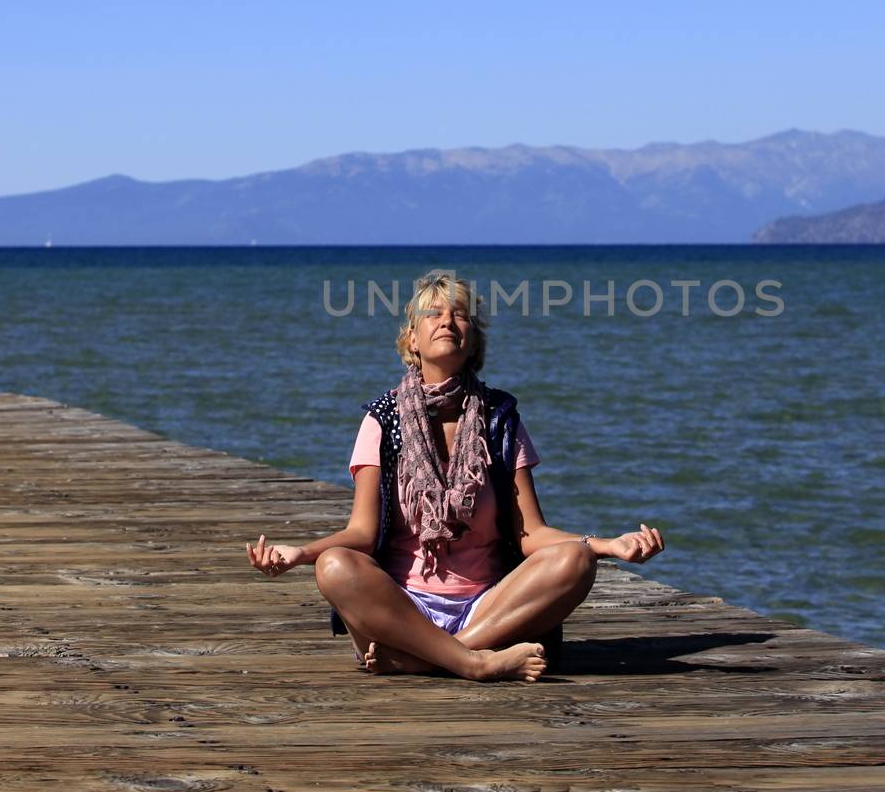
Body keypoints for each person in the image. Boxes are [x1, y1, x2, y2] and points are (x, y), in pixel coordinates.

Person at [247, 269, 664, 682]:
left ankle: (431, 658)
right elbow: (361, 532)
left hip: (489, 606)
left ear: (472, 340)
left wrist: (608, 545)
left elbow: (530, 534)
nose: (447, 320)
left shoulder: (499, 419)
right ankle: (475, 662)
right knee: (335, 566)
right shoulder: (383, 420)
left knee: (576, 559)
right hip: (402, 608)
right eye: (433, 313)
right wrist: (302, 553)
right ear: (412, 339)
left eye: (460, 314)